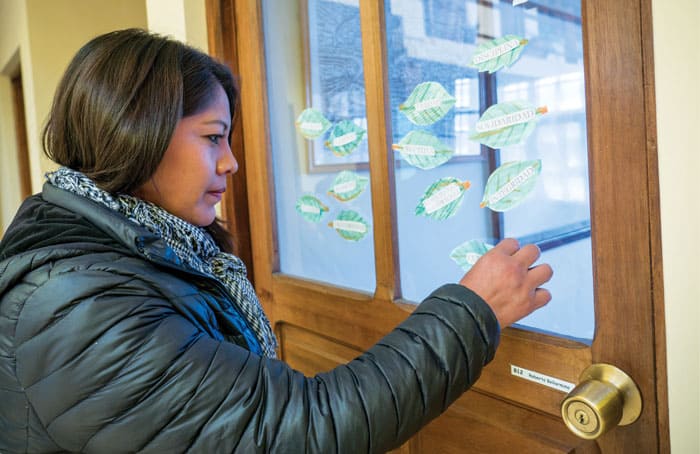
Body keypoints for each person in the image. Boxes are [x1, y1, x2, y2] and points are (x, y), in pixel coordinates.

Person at [0, 28, 552, 453]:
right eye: (213, 137)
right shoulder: (79, 304)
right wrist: (473, 311)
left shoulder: (125, 249)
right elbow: (301, 429)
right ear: (134, 131)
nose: (231, 162)